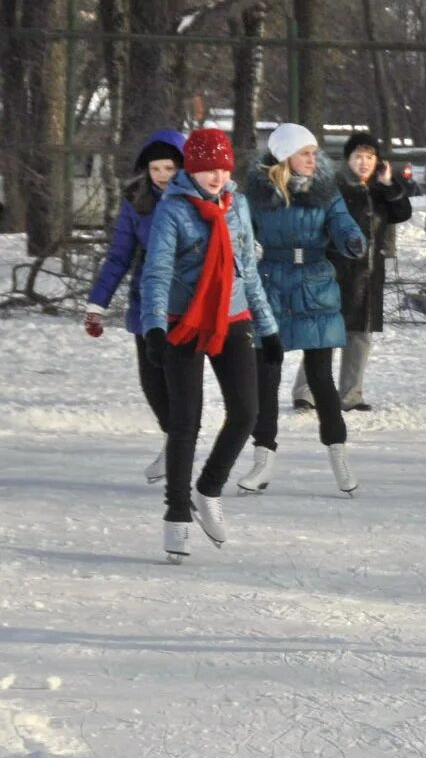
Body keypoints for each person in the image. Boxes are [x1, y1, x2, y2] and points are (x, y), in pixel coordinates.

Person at [139, 129, 280, 563]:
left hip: (233, 319)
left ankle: (207, 490)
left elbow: (248, 273)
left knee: (246, 413)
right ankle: (176, 515)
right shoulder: (173, 211)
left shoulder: (237, 205)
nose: (216, 175)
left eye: (222, 167)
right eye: (206, 168)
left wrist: (269, 326)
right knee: (185, 421)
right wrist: (155, 329)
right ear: (191, 170)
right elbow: (156, 273)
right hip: (186, 324)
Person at [241, 123, 368, 495]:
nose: (313, 159)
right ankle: (262, 461)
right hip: (272, 286)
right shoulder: (258, 195)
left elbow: (343, 224)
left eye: (314, 152)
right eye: (305, 153)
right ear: (285, 157)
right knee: (267, 378)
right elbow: (242, 233)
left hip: (315, 285)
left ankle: (340, 459)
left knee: (321, 379)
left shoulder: (327, 193)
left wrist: (352, 240)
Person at [85, 128, 185, 482]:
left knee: (180, 382)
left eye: (169, 168)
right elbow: (118, 256)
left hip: (186, 303)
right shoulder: (136, 199)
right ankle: (176, 442)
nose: (162, 176)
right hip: (147, 303)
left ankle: (179, 454)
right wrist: (97, 303)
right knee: (152, 384)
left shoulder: (195, 197)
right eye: (156, 169)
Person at [291, 132, 413, 413]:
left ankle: (351, 394)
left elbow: (401, 212)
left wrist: (388, 184)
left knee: (360, 334)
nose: (364, 162)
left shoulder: (381, 190)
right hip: (334, 270)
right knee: (323, 333)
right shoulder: (333, 187)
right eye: (358, 156)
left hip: (368, 274)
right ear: (348, 159)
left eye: (370, 157)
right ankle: (305, 392)